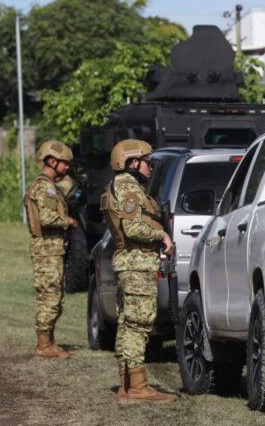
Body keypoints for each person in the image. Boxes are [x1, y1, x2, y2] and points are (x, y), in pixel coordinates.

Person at [101, 139, 175, 405]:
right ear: (132, 163)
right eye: (146, 161)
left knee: (127, 324)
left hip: (127, 263)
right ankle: (138, 388)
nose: (149, 166)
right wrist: (162, 235)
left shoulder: (119, 186)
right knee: (138, 325)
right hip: (136, 264)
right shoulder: (129, 187)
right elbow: (133, 228)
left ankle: (126, 384)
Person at [24, 140, 78, 359]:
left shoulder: (49, 185)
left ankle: (49, 341)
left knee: (54, 294)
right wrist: (68, 221)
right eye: (64, 164)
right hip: (47, 250)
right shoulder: (44, 187)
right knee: (49, 296)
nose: (66, 168)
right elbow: (46, 218)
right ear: (52, 161)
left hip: (51, 250)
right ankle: (43, 345)